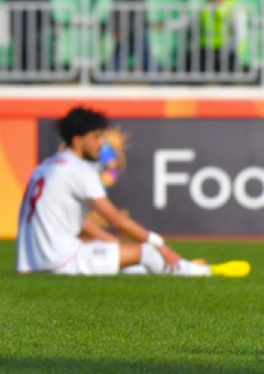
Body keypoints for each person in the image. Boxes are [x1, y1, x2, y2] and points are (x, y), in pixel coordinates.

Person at [17, 106, 249, 278]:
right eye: (96, 137)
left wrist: (112, 244)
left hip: (31, 263)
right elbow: (115, 219)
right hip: (61, 260)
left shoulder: (46, 166)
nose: (102, 144)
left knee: (132, 260)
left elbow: (75, 224)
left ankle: (174, 267)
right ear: (78, 140)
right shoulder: (79, 169)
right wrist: (160, 244)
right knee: (148, 252)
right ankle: (202, 271)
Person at [185, 0, 246, 74]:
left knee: (225, 65)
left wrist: (232, 49)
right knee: (191, 59)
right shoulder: (206, 3)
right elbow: (192, 21)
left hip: (226, 48)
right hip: (206, 47)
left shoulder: (234, 5)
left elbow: (240, 32)